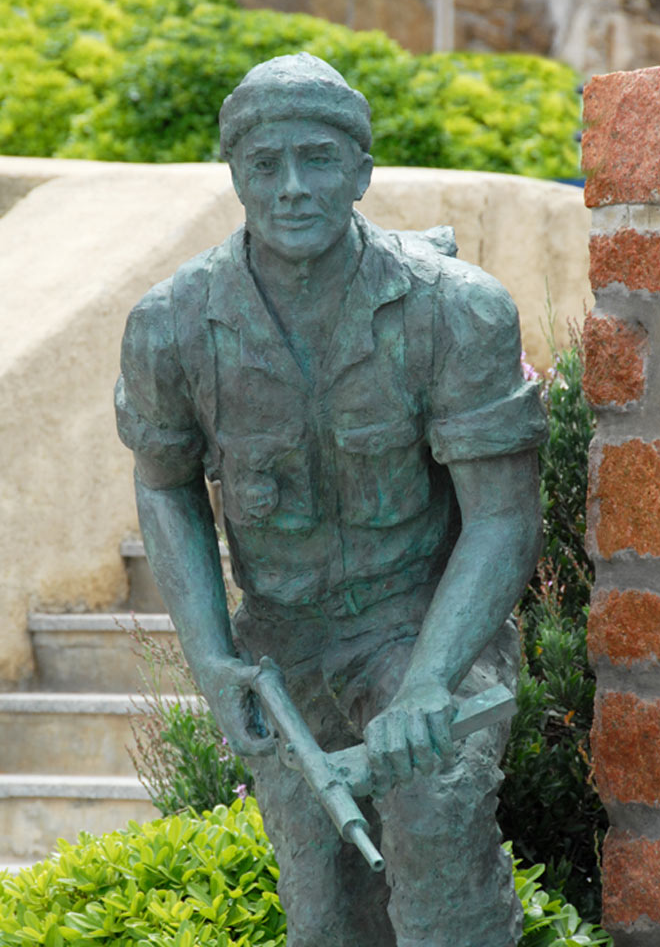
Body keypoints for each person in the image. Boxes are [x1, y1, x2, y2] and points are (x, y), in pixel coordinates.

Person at [116, 53, 547, 947]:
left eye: (318, 159)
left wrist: (429, 679)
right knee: (322, 911)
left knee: (438, 854)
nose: (293, 188)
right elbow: (163, 489)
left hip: (421, 624)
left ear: (360, 170)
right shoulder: (172, 325)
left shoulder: (453, 311)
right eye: (264, 166)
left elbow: (502, 516)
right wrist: (212, 658)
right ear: (235, 174)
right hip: (281, 648)